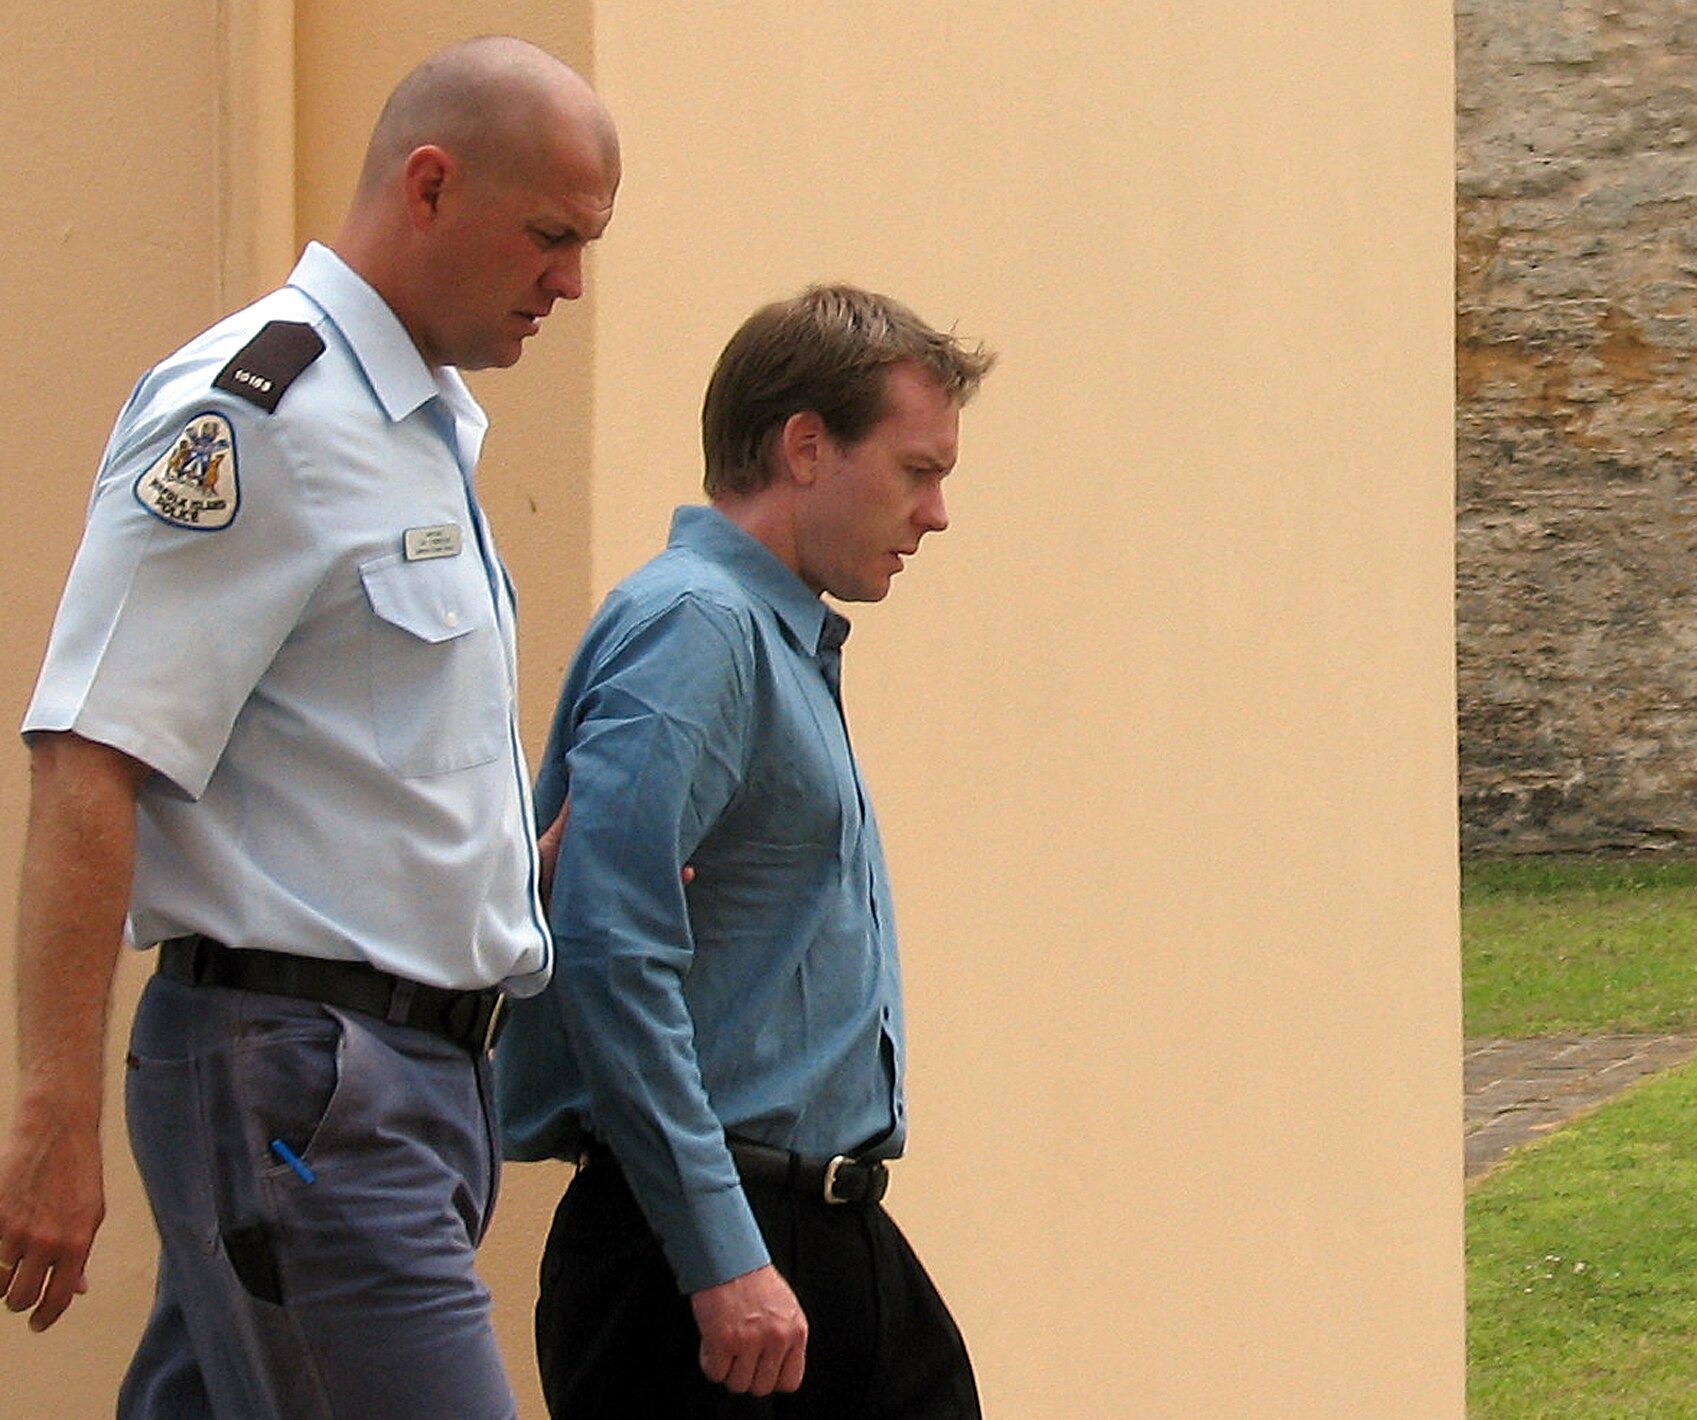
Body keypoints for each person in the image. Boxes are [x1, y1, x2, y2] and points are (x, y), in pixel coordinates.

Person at [0, 35, 619, 1420]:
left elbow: (350, 771)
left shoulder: (420, 429)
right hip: (311, 1087)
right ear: (429, 185)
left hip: (401, 1085)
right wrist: (50, 1113)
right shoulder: (258, 412)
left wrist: (512, 879)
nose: (570, 284)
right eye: (551, 237)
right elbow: (91, 753)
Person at [494, 285, 994, 1418]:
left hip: (821, 1233)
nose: (936, 514)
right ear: (805, 447)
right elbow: (611, 948)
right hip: (702, 1257)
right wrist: (720, 1255)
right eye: (916, 471)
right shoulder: (698, 628)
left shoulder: (768, 636)